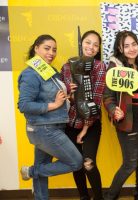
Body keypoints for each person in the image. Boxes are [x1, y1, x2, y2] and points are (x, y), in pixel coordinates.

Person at [18, 34, 82, 200]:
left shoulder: (49, 70)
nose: (51, 53)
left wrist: (68, 95)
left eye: (54, 49)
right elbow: (24, 105)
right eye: (47, 48)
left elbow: (56, 98)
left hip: (52, 125)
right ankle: (31, 171)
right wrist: (53, 105)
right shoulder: (31, 74)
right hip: (44, 129)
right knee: (76, 162)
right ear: (36, 48)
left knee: (42, 166)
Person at [103, 30, 138, 200]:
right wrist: (113, 110)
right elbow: (108, 96)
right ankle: (110, 196)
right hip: (128, 119)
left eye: (134, 44)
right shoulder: (115, 67)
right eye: (126, 45)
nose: (132, 48)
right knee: (130, 163)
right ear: (120, 47)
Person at [61, 30, 106, 200]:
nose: (91, 47)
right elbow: (63, 99)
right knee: (76, 164)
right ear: (81, 43)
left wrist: (85, 128)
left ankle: (99, 197)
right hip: (70, 123)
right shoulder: (67, 66)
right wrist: (69, 95)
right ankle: (83, 196)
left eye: (95, 45)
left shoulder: (100, 66)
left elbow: (96, 98)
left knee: (88, 162)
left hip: (91, 124)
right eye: (88, 42)